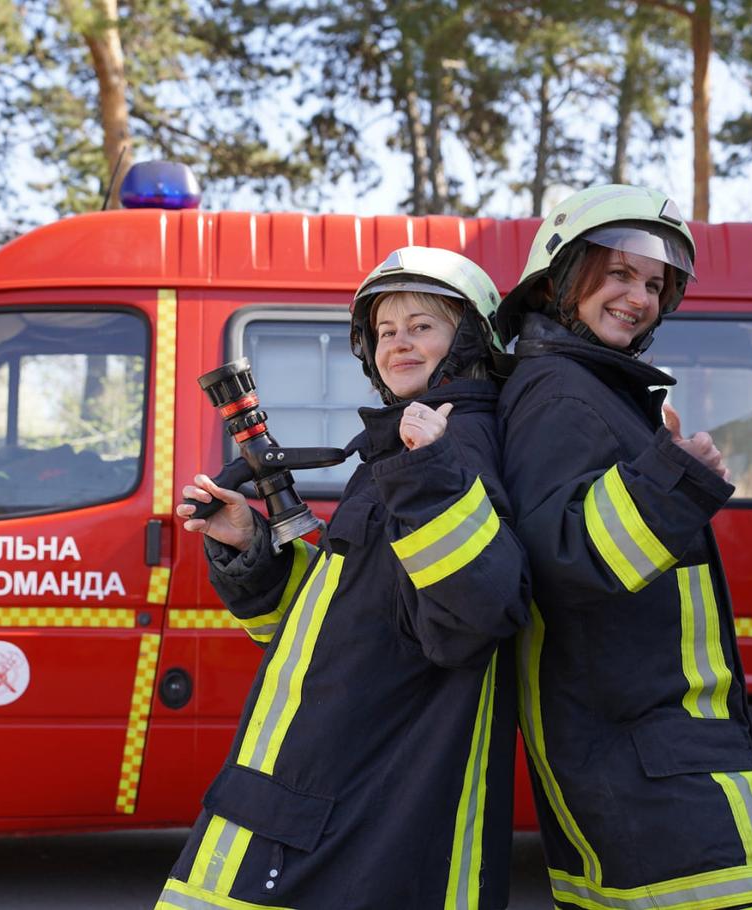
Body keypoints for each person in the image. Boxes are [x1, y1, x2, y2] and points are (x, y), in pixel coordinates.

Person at [155, 246, 530, 910]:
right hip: (315, 791)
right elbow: (338, 619)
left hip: (349, 797)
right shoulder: (406, 449)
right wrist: (250, 544)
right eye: (385, 331)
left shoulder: (452, 447)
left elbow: (477, 616)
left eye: (421, 325)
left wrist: (432, 474)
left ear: (469, 337)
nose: (398, 343)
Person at [493, 185, 752, 910]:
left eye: (656, 284)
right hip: (644, 763)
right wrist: (675, 478)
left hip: (650, 757)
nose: (641, 297)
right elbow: (561, 558)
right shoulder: (561, 393)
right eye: (620, 274)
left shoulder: (593, 387)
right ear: (564, 279)